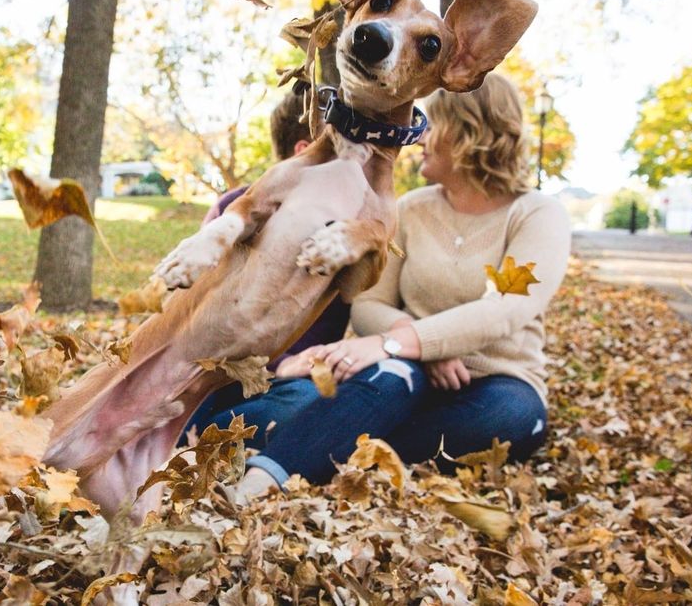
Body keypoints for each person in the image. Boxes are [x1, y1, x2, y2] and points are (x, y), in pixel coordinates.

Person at [234, 72, 572, 498]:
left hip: (496, 380)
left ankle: (327, 440)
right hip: (406, 375)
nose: (420, 134)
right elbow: (368, 303)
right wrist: (417, 349)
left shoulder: (536, 215)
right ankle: (264, 478)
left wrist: (404, 341)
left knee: (513, 419)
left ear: (472, 132)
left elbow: (505, 309)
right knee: (389, 376)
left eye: (434, 122)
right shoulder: (411, 209)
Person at [184, 92, 350, 446]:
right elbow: (201, 314)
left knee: (309, 406)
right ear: (304, 150)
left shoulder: (348, 228)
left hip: (289, 388)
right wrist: (279, 364)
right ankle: (193, 437)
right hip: (218, 372)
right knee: (174, 395)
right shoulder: (236, 210)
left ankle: (205, 440)